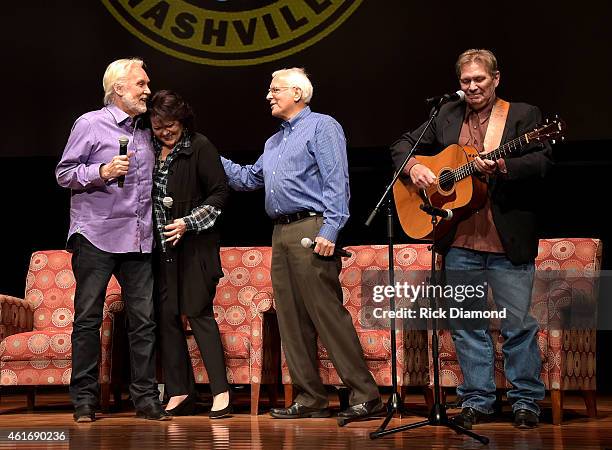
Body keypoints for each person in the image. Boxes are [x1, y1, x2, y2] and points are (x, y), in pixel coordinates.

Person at [390, 49, 552, 429]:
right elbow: (401, 146)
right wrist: (415, 168)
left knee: (517, 324)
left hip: (505, 237)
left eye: (480, 79)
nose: (473, 86)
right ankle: (478, 400)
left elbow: (543, 160)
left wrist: (503, 166)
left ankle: (526, 400)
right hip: (459, 238)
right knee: (466, 324)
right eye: (466, 81)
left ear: (496, 78)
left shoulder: (523, 115)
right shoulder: (446, 114)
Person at [221, 68, 383, 419]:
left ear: (297, 92)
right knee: (291, 318)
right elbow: (250, 179)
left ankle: (365, 394)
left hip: (312, 227)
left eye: (274, 89)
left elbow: (336, 178)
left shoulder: (322, 126)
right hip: (280, 232)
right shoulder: (274, 141)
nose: (268, 95)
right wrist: (208, 157)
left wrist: (331, 228)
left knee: (326, 313)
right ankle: (310, 398)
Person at [56, 58, 170, 422]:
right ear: (118, 88)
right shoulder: (90, 124)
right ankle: (85, 401)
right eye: (141, 84)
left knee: (144, 322)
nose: (147, 90)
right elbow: (64, 173)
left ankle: (146, 399)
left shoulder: (145, 130)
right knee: (88, 319)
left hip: (138, 239)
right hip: (97, 235)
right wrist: (101, 171)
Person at [149, 90, 232, 419]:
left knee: (198, 314)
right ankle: (180, 391)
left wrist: (188, 223)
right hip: (161, 250)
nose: (164, 132)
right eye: (157, 126)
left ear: (182, 120)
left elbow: (220, 192)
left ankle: (221, 392)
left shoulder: (199, 146)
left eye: (169, 125)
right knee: (166, 319)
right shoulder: (151, 150)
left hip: (195, 246)